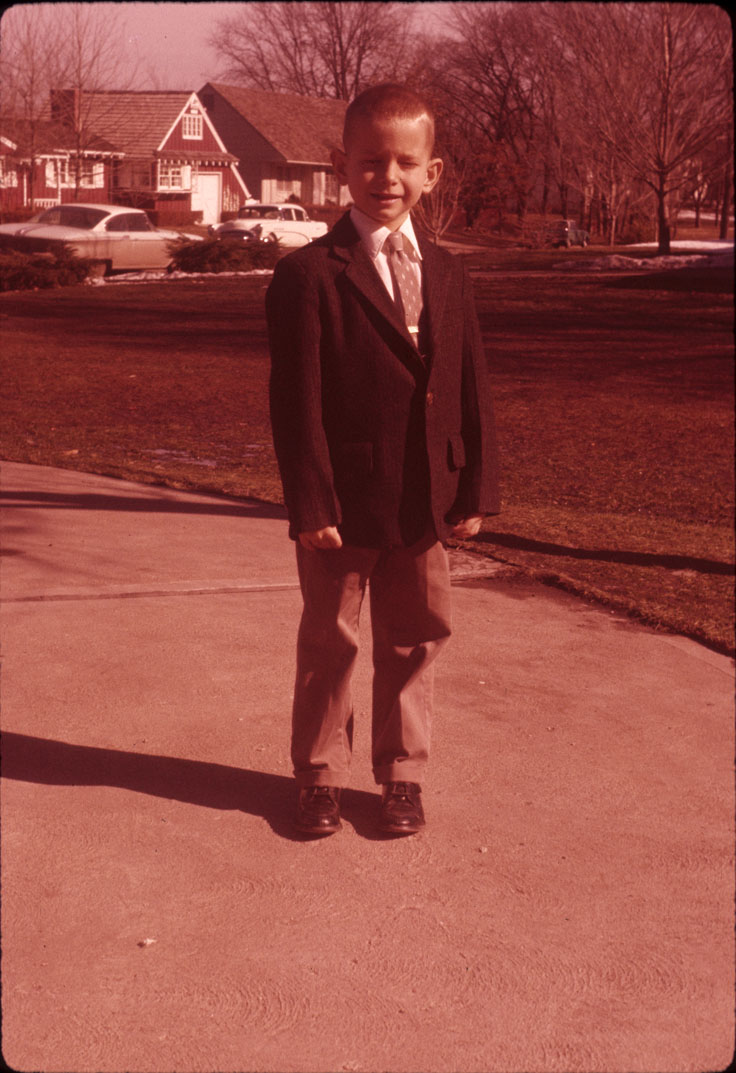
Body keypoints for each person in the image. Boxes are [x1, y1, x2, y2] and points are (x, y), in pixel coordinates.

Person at [266, 83, 500, 836]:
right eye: (370, 161)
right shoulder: (309, 276)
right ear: (342, 165)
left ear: (433, 172)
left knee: (416, 636)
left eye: (405, 162)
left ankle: (402, 774)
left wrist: (475, 487)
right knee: (329, 641)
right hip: (341, 502)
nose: (387, 177)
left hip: (426, 496)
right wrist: (311, 504)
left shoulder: (450, 272)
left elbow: (470, 384)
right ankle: (318, 776)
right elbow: (295, 403)